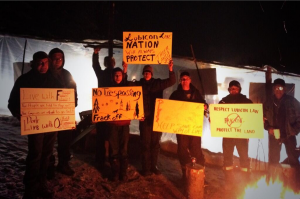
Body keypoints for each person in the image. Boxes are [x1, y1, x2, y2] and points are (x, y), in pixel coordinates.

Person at [8, 51, 60, 199]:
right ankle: (30, 188)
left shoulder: (55, 78)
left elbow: (65, 97)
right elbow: (12, 102)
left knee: (46, 154)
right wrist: (18, 113)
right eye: (39, 63)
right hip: (35, 125)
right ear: (34, 63)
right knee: (35, 154)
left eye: (45, 63)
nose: (43, 66)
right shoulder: (24, 80)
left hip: (51, 124)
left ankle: (41, 183)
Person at [136, 60, 176, 176]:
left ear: (152, 74)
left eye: (148, 72)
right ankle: (146, 168)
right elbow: (132, 100)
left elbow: (172, 81)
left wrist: (170, 70)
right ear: (143, 74)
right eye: (145, 72)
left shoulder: (158, 84)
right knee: (145, 144)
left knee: (155, 144)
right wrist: (137, 114)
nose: (147, 74)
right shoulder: (139, 85)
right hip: (144, 119)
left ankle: (153, 166)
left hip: (156, 119)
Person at [92, 47, 127, 169]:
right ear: (106, 63)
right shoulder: (102, 74)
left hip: (115, 108)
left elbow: (125, 87)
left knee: (111, 136)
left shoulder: (118, 74)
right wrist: (95, 54)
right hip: (103, 106)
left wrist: (125, 70)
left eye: (112, 61)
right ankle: (101, 158)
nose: (110, 63)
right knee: (102, 134)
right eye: (108, 62)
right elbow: (95, 66)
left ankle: (107, 158)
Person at [169, 71, 208, 181]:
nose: (184, 81)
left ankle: (200, 176)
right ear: (180, 81)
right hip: (181, 128)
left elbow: (204, 103)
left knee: (196, 150)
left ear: (190, 80)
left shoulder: (196, 92)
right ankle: (185, 174)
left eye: (186, 78)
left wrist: (205, 106)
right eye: (182, 79)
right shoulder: (176, 94)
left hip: (193, 127)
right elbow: (169, 108)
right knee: (182, 150)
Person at [47, 48, 78, 178]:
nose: (57, 61)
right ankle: (48, 166)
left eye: (60, 58)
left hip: (65, 113)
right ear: (50, 59)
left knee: (65, 141)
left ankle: (63, 164)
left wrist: (74, 101)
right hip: (48, 114)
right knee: (48, 142)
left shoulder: (67, 74)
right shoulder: (45, 74)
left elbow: (73, 90)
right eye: (55, 58)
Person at [263, 78, 300, 170]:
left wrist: (294, 130)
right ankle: (273, 181)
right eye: (276, 88)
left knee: (293, 160)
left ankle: (295, 182)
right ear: (273, 89)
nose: (278, 90)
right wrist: (268, 128)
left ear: (284, 89)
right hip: (274, 136)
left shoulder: (293, 102)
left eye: (280, 88)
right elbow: (263, 119)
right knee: (273, 161)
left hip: (289, 135)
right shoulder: (268, 102)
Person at [219, 80, 252, 179]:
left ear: (239, 89)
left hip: (241, 135)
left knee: (244, 156)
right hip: (228, 135)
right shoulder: (223, 101)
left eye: (236, 89)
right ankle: (228, 178)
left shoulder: (246, 101)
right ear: (229, 90)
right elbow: (217, 114)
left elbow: (254, 113)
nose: (233, 90)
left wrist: (260, 117)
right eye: (231, 89)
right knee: (227, 156)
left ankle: (245, 178)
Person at [106, 66, 132, 182]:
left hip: (125, 124)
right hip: (112, 125)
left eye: (120, 75)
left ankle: (123, 173)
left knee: (124, 150)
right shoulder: (107, 90)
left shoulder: (128, 89)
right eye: (116, 75)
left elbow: (134, 103)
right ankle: (115, 173)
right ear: (112, 77)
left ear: (123, 76)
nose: (118, 77)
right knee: (114, 150)